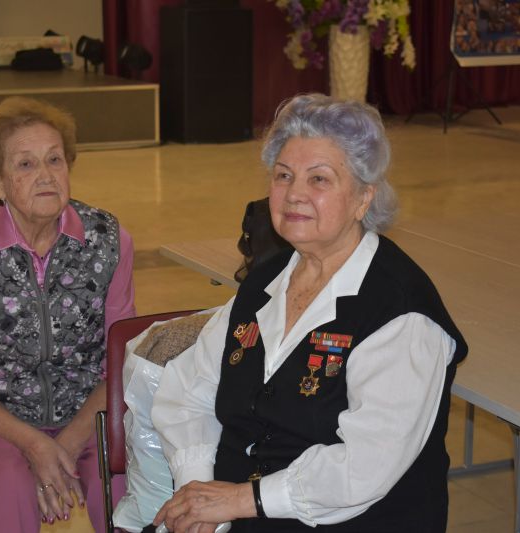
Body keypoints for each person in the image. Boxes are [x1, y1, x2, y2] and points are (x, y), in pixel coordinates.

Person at [151, 94, 468, 533]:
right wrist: (198, 493)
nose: (294, 194)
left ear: (363, 199)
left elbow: (364, 467)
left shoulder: (401, 313)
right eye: (284, 175)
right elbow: (190, 391)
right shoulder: (266, 281)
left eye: (319, 179)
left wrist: (239, 500)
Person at [0, 96, 135, 533]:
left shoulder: (108, 240)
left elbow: (120, 362)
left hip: (90, 413)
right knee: (9, 485)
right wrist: (35, 445)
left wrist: (68, 444)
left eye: (54, 159)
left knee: (123, 484)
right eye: (25, 164)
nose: (46, 175)